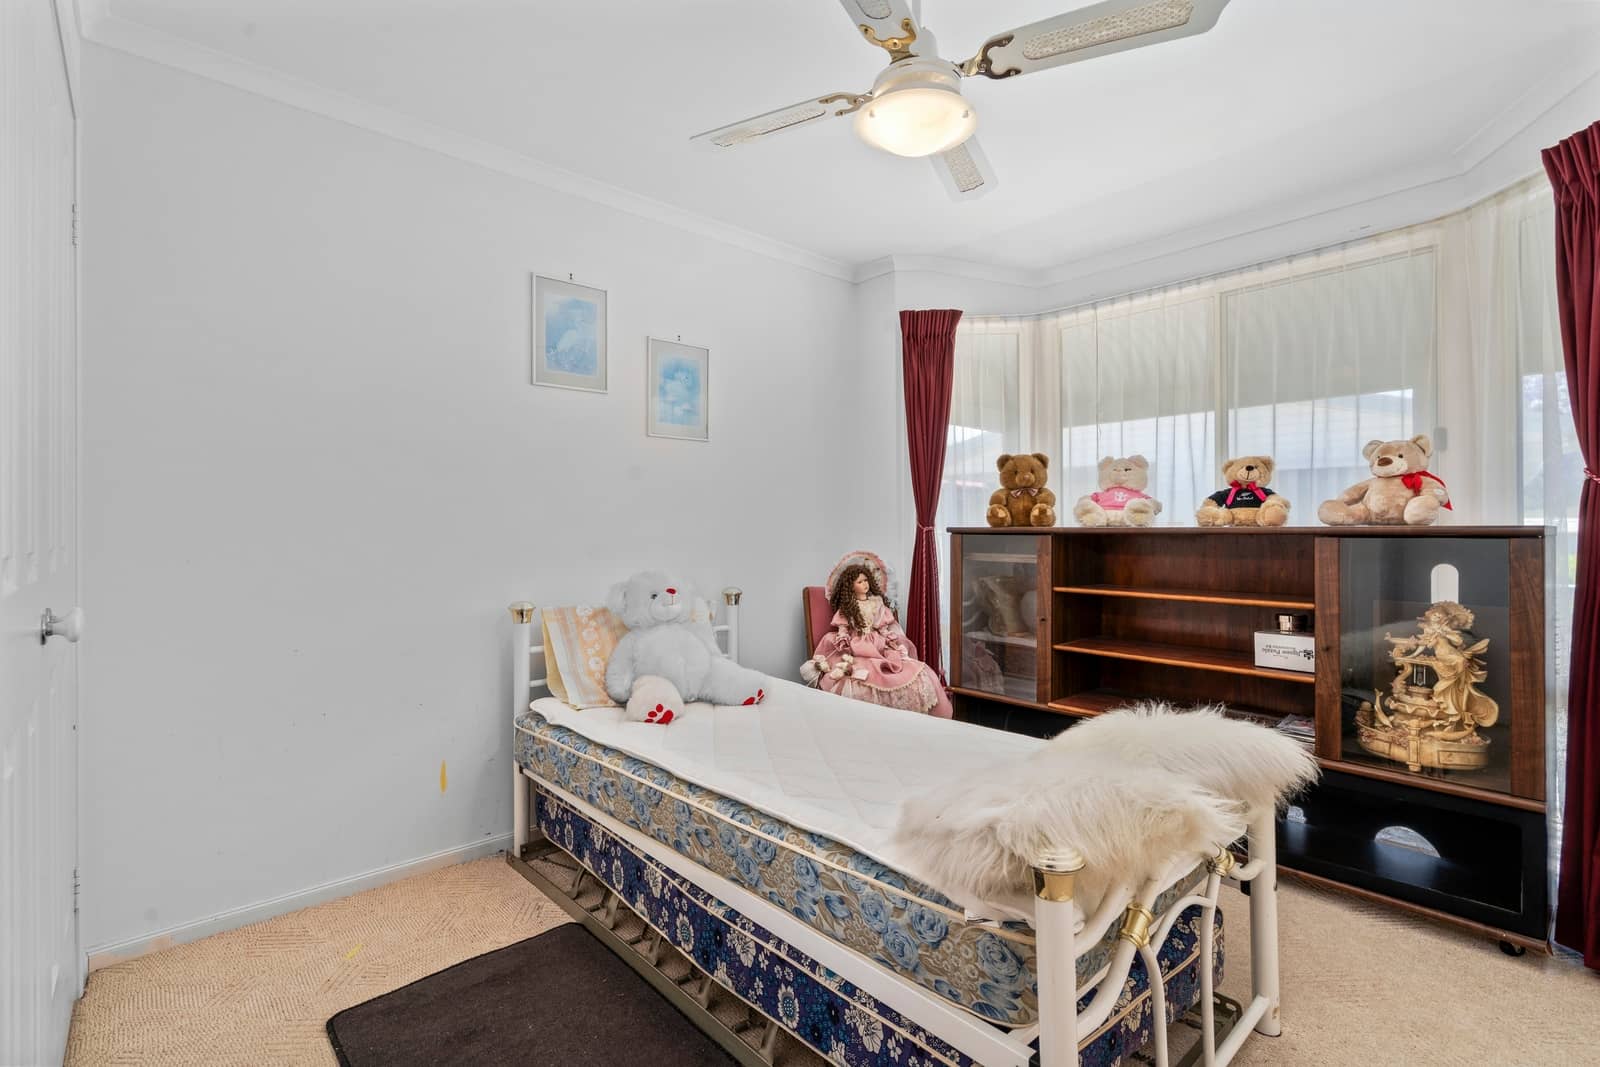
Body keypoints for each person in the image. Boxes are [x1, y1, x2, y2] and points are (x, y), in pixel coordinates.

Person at [804, 562, 952, 718]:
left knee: (903, 666)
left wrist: (888, 636)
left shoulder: (876, 602)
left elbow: (882, 626)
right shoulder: (848, 606)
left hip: (878, 641)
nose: (864, 584)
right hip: (857, 642)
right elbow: (843, 627)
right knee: (856, 669)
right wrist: (843, 636)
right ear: (850, 586)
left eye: (866, 580)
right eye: (859, 582)